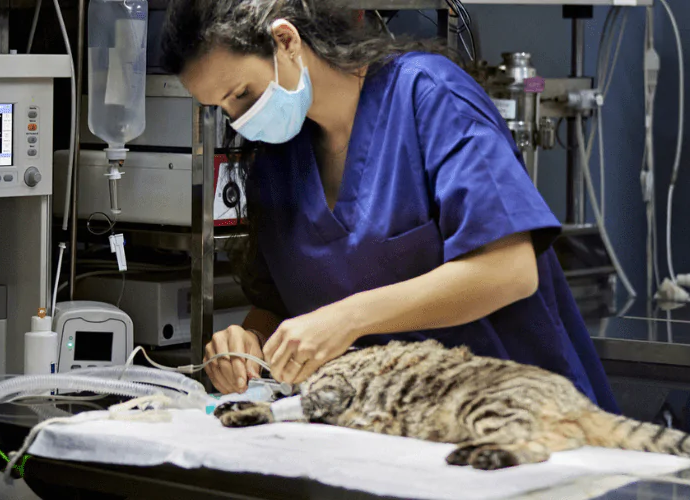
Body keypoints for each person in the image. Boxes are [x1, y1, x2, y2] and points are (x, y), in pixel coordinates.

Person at [161, 0, 619, 414]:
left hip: (516, 418)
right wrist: (250, 343)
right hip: (390, 429)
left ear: (285, 41)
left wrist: (350, 317)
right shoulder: (280, 159)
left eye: (241, 94)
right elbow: (280, 302)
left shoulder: (428, 95)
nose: (240, 118)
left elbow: (510, 271)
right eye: (221, 107)